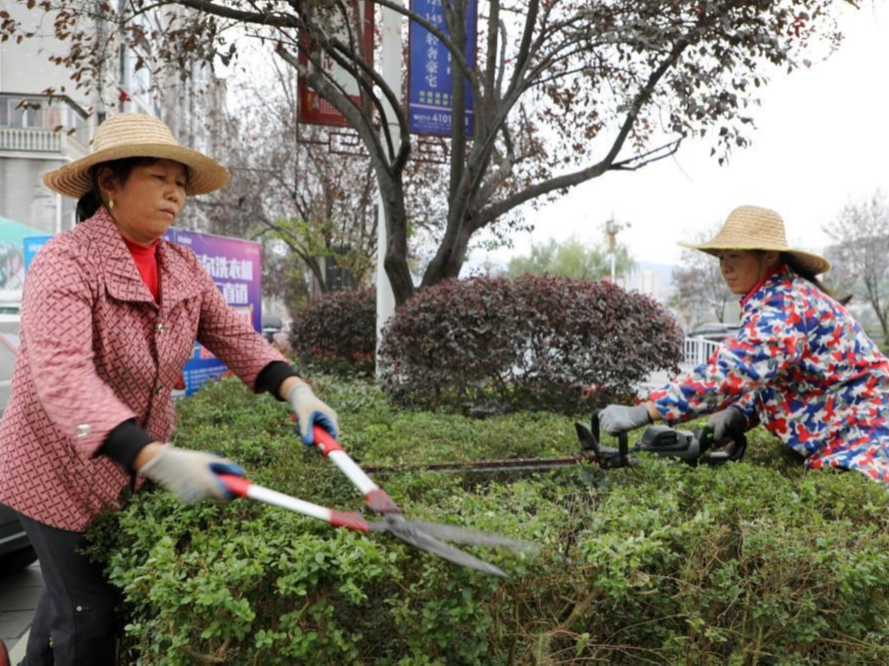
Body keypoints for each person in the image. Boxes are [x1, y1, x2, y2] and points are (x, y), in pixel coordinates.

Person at [0, 113, 339, 665]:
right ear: (109, 181)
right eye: (159, 177)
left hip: (129, 473)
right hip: (52, 473)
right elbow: (61, 374)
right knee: (89, 614)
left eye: (180, 183)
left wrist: (295, 388)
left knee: (70, 606)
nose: (174, 194)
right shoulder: (65, 262)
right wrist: (155, 456)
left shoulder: (180, 265)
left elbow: (235, 335)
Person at [600, 205, 889, 485]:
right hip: (845, 431)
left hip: (870, 435)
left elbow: (735, 370)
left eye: (735, 255)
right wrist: (740, 413)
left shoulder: (786, 303)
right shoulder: (772, 298)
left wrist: (647, 410)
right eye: (721, 257)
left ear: (769, 256)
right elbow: (778, 377)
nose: (725, 266)